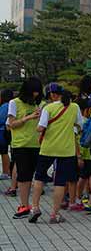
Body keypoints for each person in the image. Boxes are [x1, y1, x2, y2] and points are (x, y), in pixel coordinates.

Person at [29, 83, 81, 223]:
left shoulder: (48, 108)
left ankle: (35, 207)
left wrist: (35, 121)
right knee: (60, 182)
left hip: (48, 148)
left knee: (39, 177)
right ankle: (54, 214)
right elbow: (79, 124)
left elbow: (41, 128)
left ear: (51, 95)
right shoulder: (74, 107)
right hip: (66, 150)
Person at [8, 77, 43, 217]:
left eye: (38, 92)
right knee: (23, 176)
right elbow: (11, 124)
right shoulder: (14, 103)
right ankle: (24, 206)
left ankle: (33, 205)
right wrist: (28, 118)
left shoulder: (36, 104)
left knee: (34, 176)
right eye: (33, 92)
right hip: (20, 145)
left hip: (36, 144)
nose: (35, 95)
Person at [0, 88, 13, 181]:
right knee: (4, 152)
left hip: (2, 131)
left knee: (3, 152)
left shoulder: (5, 106)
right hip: (5, 131)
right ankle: (7, 172)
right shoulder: (11, 105)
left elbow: (1, 119)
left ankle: (6, 172)